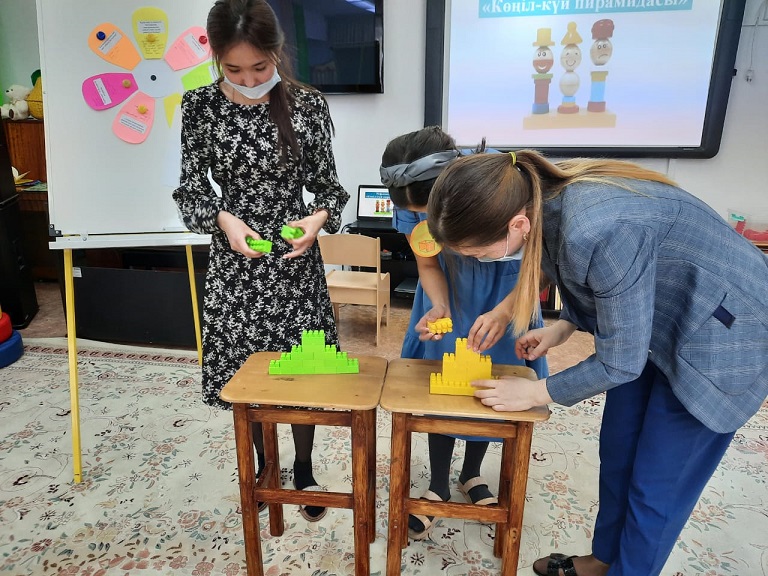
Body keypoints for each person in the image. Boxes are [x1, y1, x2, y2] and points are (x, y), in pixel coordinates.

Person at [425, 150, 768, 575]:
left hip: (721, 334)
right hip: (654, 325)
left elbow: (620, 362)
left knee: (657, 484)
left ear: (517, 225)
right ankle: (604, 559)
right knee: (619, 450)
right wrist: (563, 326)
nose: (477, 261)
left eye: (477, 253)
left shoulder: (597, 227)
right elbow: (601, 278)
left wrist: (536, 391)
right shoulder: (537, 199)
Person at [172, 0, 349, 522]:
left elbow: (329, 189)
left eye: (259, 66)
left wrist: (316, 221)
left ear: (277, 53)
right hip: (235, 266)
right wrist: (225, 220)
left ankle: (304, 467)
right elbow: (190, 192)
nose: (249, 80)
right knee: (244, 376)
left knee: (303, 372)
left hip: (293, 264)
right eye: (234, 69)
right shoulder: (199, 107)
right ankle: (263, 463)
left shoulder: (306, 105)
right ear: (216, 58)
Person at [379, 127, 548, 540]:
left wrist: (506, 311)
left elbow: (544, 263)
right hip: (449, 289)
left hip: (510, 291)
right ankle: (438, 483)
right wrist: (439, 306)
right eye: (421, 216)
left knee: (491, 384)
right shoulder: (412, 205)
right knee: (442, 386)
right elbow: (427, 263)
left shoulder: (508, 184)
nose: (430, 223)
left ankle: (471, 474)